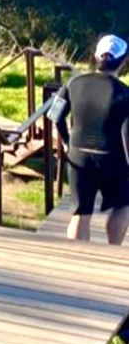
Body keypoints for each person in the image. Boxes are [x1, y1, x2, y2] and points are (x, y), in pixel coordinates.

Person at [51, 34, 129, 245]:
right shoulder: (124, 93)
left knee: (81, 211)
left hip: (78, 156)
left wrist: (67, 141)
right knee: (122, 206)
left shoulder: (73, 83)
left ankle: (77, 259)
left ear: (96, 56)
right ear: (123, 61)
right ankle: (113, 249)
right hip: (112, 159)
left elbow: (54, 114)